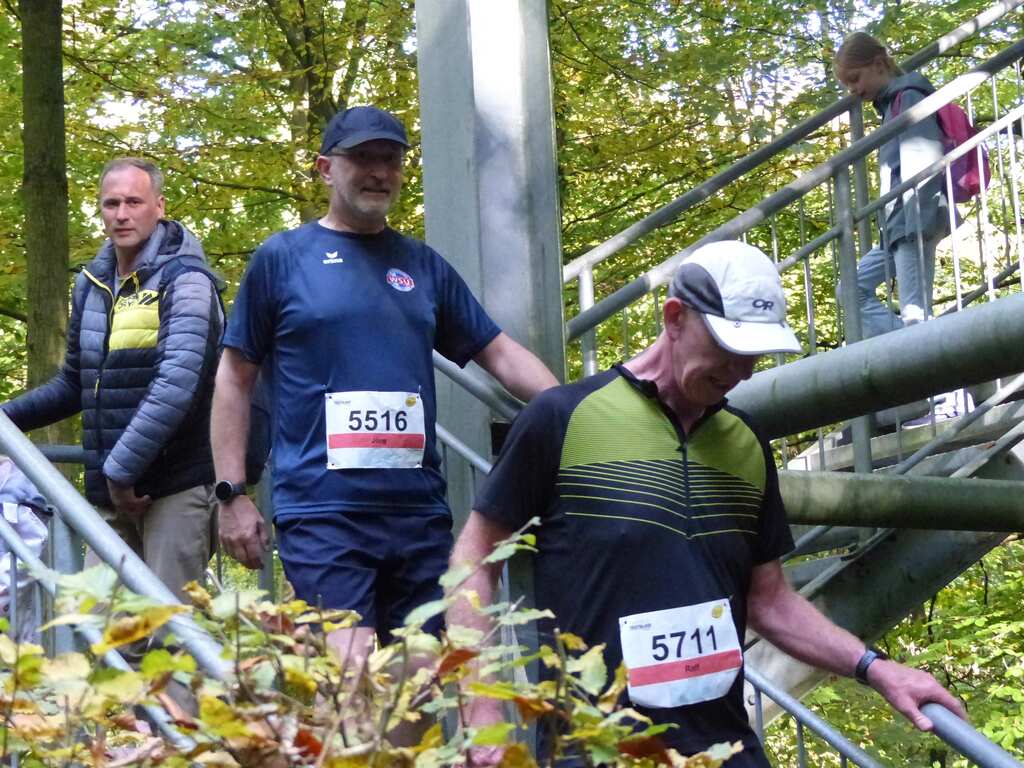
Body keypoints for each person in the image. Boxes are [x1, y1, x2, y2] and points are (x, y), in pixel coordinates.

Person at [449, 241, 966, 766]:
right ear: (674, 318)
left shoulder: (746, 443)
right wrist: (480, 703)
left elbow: (770, 601)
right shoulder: (563, 419)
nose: (742, 371)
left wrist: (876, 668)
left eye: (754, 355)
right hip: (598, 748)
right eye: (727, 347)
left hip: (724, 748)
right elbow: (473, 559)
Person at [211, 105, 558, 666]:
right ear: (326, 168)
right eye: (362, 158)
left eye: (390, 160)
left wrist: (570, 408)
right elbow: (234, 376)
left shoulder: (422, 265)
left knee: (421, 686)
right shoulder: (283, 258)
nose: (378, 172)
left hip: (417, 513)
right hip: (323, 512)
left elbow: (498, 352)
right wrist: (231, 493)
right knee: (351, 680)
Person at [2, 158, 222, 602]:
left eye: (134, 202)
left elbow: (175, 388)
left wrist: (120, 471)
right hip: (113, 494)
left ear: (159, 206)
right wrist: (4, 420)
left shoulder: (188, 281)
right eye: (111, 203)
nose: (122, 214)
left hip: (175, 488)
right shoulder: (92, 284)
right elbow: (74, 384)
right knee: (98, 626)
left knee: (172, 631)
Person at [835, 32, 950, 337]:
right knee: (850, 291)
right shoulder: (891, 105)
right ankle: (917, 348)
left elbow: (922, 162)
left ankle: (924, 352)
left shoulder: (908, 97)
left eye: (855, 79)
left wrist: (915, 222)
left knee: (915, 314)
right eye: (847, 85)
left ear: (878, 64)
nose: (853, 90)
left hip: (915, 218)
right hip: (898, 223)